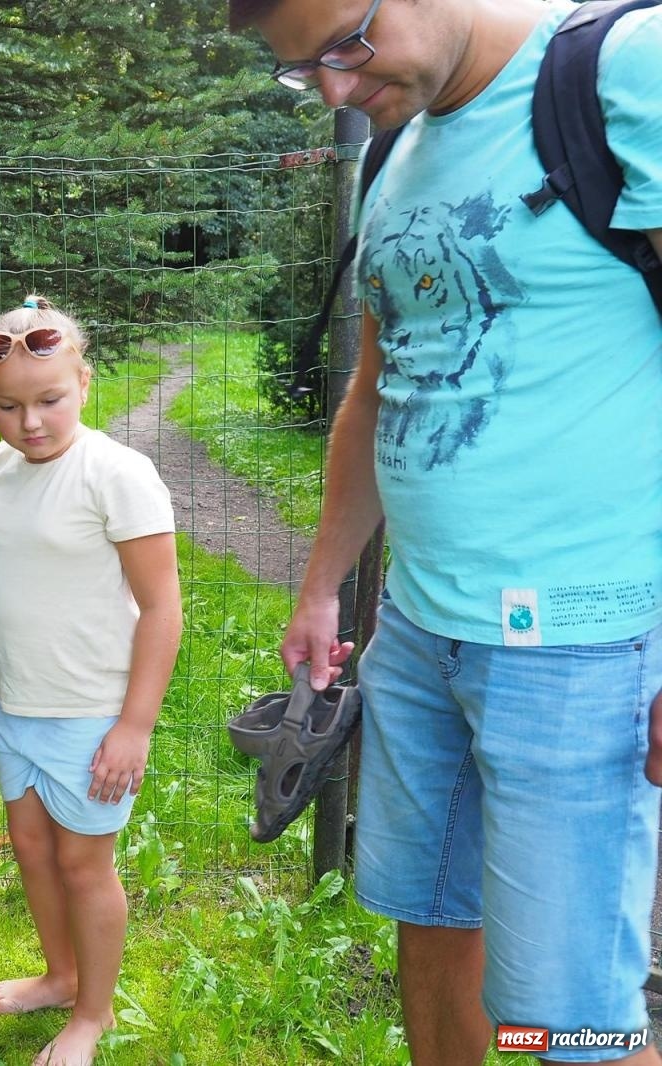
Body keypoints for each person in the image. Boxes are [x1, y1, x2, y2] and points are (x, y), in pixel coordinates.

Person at [229, 0, 662, 1062]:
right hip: (416, 634)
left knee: (568, 1013)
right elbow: (375, 395)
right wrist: (322, 582)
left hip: (575, 646)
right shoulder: (398, 151)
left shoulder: (618, 74)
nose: (333, 89)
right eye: (301, 72)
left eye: (344, 46)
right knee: (431, 924)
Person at [0, 296, 182, 1066]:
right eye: (8, 406)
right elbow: (9, 578)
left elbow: (161, 608)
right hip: (18, 708)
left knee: (84, 864)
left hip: (93, 711)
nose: (29, 423)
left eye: (49, 400)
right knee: (30, 846)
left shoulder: (118, 475)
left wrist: (135, 726)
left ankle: (93, 1014)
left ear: (84, 383)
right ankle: (61, 976)